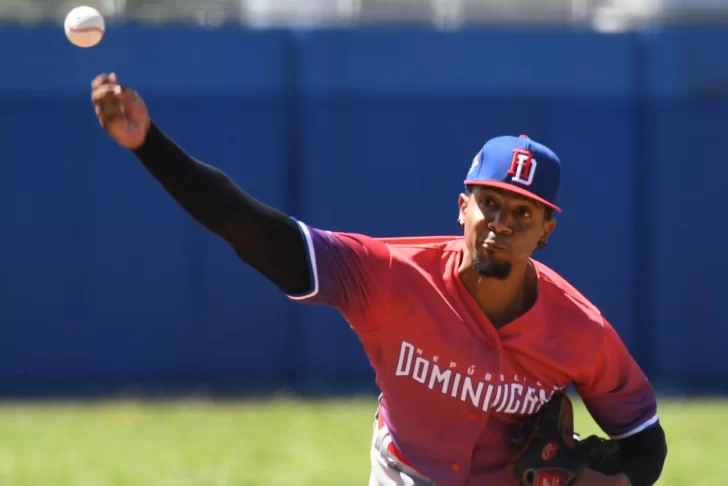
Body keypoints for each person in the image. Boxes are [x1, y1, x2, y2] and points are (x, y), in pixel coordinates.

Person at [90, 73, 667, 486]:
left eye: (522, 213)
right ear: (461, 207)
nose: (501, 224)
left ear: (546, 231)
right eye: (489, 203)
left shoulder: (580, 330)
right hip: (405, 473)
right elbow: (251, 230)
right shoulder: (392, 276)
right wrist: (150, 147)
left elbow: (645, 439)